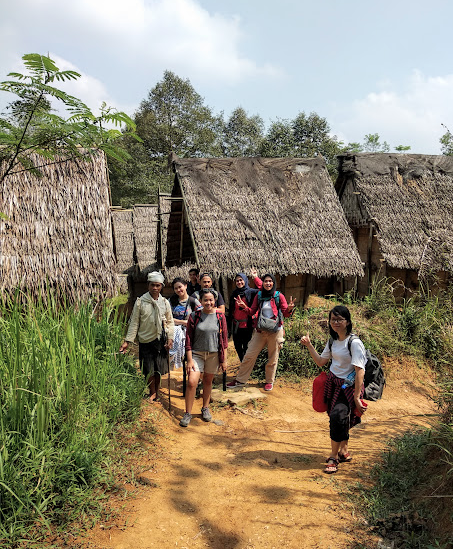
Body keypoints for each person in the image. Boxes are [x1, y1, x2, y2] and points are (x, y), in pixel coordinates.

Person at [300, 305, 367, 474]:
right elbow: (322, 362)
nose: (335, 322)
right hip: (333, 385)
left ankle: (333, 456)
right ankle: (343, 451)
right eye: (333, 319)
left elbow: (360, 370)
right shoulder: (333, 340)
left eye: (339, 319)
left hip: (348, 388)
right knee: (340, 417)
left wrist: (357, 397)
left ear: (348, 321)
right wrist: (309, 345)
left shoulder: (354, 343)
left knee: (337, 417)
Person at [226, 274, 296, 392]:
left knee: (272, 358)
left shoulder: (279, 296)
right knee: (249, 355)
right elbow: (252, 311)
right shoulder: (259, 295)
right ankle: (240, 380)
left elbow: (285, 313)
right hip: (260, 331)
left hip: (275, 331)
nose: (268, 283)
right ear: (262, 283)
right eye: (266, 281)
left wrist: (289, 309)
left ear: (273, 283)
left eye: (270, 281)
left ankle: (269, 382)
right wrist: (244, 307)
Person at [119, 271, 174, 402]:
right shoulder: (140, 302)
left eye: (158, 285)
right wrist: (128, 341)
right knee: (148, 368)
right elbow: (134, 323)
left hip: (160, 339)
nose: (155, 288)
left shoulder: (165, 302)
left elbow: (170, 321)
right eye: (152, 285)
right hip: (145, 340)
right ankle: (152, 391)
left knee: (159, 367)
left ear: (162, 286)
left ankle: (158, 390)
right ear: (148, 285)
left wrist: (170, 338)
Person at [179, 288, 228, 428]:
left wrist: (224, 359)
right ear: (200, 301)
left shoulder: (220, 317)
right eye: (205, 300)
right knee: (192, 382)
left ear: (215, 301)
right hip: (197, 354)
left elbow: (224, 339)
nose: (208, 302)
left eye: (211, 300)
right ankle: (188, 412)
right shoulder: (194, 316)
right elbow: (188, 340)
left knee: (208, 380)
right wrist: (189, 360)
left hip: (214, 355)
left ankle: (205, 408)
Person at [227, 269, 262, 361]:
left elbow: (263, 290)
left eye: (241, 280)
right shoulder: (234, 294)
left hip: (247, 326)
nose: (239, 282)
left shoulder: (252, 292)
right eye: (237, 280)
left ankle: (247, 367)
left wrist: (255, 277)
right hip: (236, 326)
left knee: (247, 347)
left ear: (245, 280)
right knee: (238, 347)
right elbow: (231, 310)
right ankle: (243, 365)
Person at [168, 277, 200, 369]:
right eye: (175, 288)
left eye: (180, 287)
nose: (178, 290)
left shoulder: (193, 301)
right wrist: (183, 322)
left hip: (190, 334)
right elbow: (167, 318)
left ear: (185, 286)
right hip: (173, 333)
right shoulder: (171, 301)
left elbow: (201, 316)